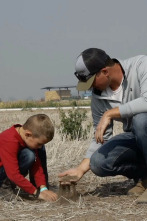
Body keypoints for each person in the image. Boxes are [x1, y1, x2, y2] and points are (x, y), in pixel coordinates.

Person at [59, 48, 147, 203]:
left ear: (105, 71)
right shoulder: (98, 97)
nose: (91, 88)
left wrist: (110, 113)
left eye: (91, 82)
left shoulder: (141, 65)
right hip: (138, 137)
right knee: (98, 163)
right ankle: (144, 178)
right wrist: (81, 169)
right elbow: (101, 136)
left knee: (141, 121)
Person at [0, 114, 57, 201]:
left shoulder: (26, 137)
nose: (39, 146)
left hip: (7, 171)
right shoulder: (9, 140)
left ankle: (35, 186)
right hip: (3, 172)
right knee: (29, 155)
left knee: (35, 152)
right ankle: (3, 188)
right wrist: (37, 194)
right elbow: (13, 174)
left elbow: (37, 165)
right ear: (28, 134)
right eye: (39, 143)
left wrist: (43, 188)